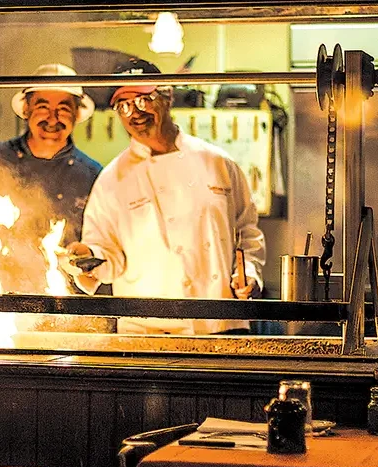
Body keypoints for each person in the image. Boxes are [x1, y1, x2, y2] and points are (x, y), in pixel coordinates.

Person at [62, 62, 265, 335]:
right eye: (124, 105)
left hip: (220, 324)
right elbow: (106, 254)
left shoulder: (218, 163)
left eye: (144, 99)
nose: (135, 112)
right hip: (146, 333)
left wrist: (249, 273)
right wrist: (88, 257)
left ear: (167, 96)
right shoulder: (112, 181)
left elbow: (247, 233)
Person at [0, 64, 101, 295]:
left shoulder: (94, 177)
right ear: (26, 109)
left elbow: (106, 249)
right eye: (42, 106)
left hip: (65, 311)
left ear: (77, 114)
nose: (52, 118)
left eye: (63, 108)